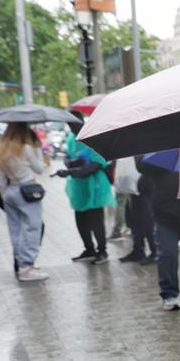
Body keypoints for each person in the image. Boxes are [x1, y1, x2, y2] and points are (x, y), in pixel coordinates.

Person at [138, 162, 180, 310]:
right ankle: (169, 294)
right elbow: (141, 165)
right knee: (167, 254)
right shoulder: (153, 143)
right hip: (164, 213)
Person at [0, 122, 49, 282]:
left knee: (16, 230)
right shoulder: (26, 148)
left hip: (10, 191)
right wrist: (39, 150)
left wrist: (5, 196)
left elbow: (0, 180)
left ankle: (21, 265)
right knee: (32, 228)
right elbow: (39, 168)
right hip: (28, 190)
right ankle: (27, 267)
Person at [56, 111, 114, 264]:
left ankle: (102, 251)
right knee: (80, 219)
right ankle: (89, 248)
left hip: (94, 185)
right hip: (79, 185)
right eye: (68, 124)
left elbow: (96, 163)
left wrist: (73, 171)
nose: (70, 127)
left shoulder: (92, 137)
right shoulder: (71, 138)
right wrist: (70, 163)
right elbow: (69, 156)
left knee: (96, 220)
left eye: (72, 123)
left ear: (80, 122)